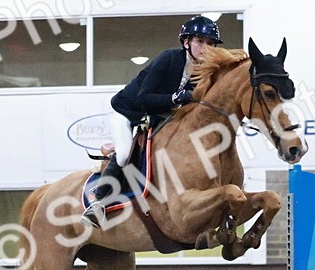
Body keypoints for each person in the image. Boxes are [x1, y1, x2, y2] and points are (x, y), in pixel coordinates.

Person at [81, 15, 222, 228]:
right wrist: (175, 98)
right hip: (127, 111)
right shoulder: (169, 59)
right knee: (125, 153)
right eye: (200, 41)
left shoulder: (203, 73)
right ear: (186, 42)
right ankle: (97, 201)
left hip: (155, 116)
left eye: (210, 43)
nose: (206, 48)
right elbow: (144, 98)